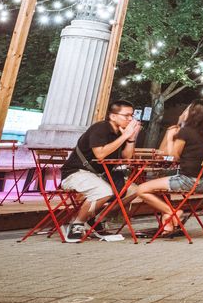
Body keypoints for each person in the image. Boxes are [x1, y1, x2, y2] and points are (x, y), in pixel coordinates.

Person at [59, 100, 142, 242]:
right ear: (113, 116)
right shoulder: (101, 128)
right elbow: (100, 154)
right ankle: (76, 224)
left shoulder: (120, 133)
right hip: (76, 173)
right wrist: (124, 136)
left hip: (101, 175)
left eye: (132, 116)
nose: (130, 119)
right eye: (126, 116)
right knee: (103, 191)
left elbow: (127, 157)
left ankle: (95, 220)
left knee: (134, 190)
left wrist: (131, 139)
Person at [133, 102, 203, 237]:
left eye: (186, 110)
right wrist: (170, 133)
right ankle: (169, 225)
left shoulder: (186, 131)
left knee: (141, 189)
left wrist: (171, 138)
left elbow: (173, 156)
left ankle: (173, 212)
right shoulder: (202, 133)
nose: (182, 113)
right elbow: (164, 152)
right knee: (159, 191)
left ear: (191, 114)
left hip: (188, 180)